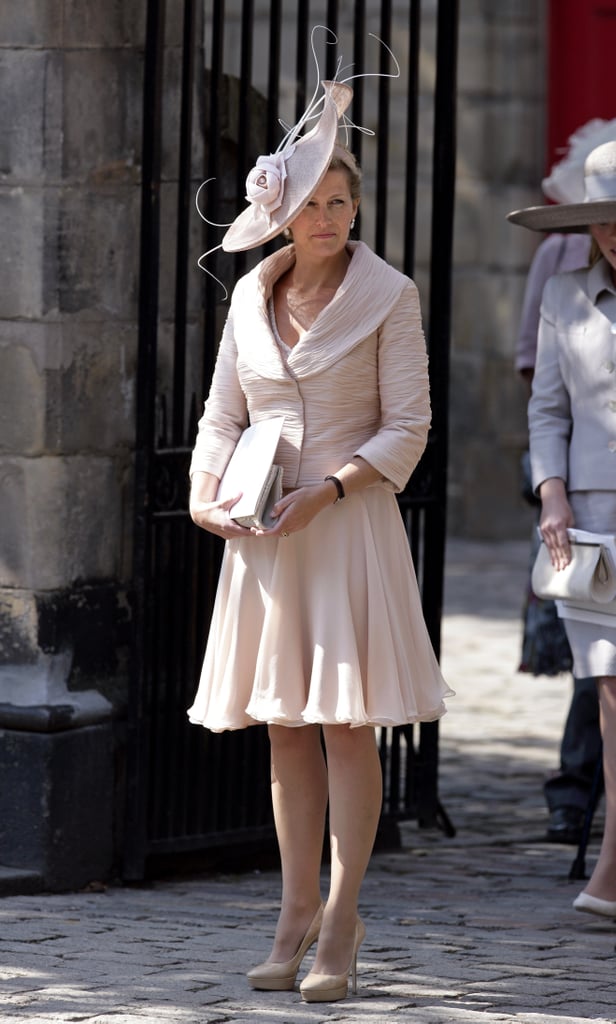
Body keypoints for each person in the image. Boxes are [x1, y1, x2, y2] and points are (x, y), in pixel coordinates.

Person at [187, 76, 452, 1001]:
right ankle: (292, 911)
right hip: (265, 536)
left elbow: (409, 426)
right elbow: (221, 414)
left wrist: (331, 490)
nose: (330, 217)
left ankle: (342, 914)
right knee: (284, 729)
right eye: (313, 204)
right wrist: (203, 493)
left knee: (345, 725)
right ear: (283, 216)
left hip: (343, 530)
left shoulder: (389, 295)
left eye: (342, 201)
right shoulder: (248, 300)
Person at [508, 137, 616, 918]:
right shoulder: (563, 296)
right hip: (590, 519)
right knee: (610, 693)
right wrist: (552, 494)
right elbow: (545, 411)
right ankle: (613, 863)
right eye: (605, 221)